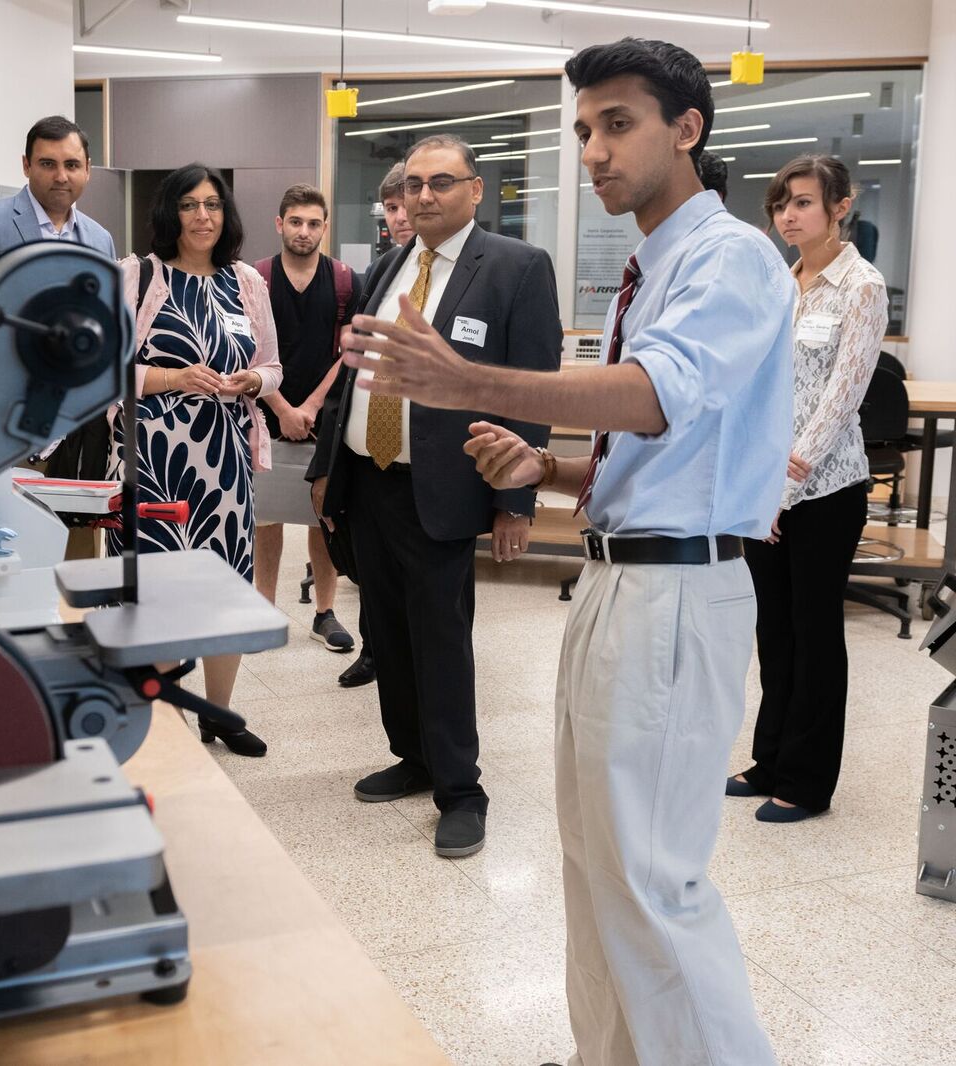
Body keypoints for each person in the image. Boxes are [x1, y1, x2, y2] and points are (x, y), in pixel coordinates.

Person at [341, 39, 791, 1065]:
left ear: (688, 128)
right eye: (584, 128)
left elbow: (654, 395)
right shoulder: (657, 264)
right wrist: (545, 473)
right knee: (595, 861)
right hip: (621, 575)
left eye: (617, 123)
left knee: (650, 880)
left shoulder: (727, 257)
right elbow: (666, 452)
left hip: (676, 593)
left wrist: (473, 383)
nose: (593, 149)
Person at [308, 133, 562, 858]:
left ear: (476, 190)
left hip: (445, 488)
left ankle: (461, 788)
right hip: (371, 481)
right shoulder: (386, 267)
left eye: (441, 183)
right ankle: (413, 758)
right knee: (387, 632)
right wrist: (332, 472)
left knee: (441, 640)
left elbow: (533, 385)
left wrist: (517, 500)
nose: (423, 196)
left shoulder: (515, 268)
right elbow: (354, 378)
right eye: (414, 184)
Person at [728, 156, 887, 823]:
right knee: (775, 631)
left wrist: (782, 489)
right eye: (779, 205)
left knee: (815, 632)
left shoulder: (861, 286)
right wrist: (752, 481)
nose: (786, 216)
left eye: (801, 203)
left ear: (839, 207)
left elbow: (840, 397)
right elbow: (760, 384)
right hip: (766, 485)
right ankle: (770, 758)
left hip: (823, 489)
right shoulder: (780, 282)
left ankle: (808, 780)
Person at [108, 163, 283, 757]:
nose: (202, 216)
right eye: (189, 205)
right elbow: (103, 369)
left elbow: (273, 364)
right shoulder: (137, 276)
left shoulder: (246, 283)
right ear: (170, 213)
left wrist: (252, 383)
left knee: (227, 587)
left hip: (227, 463)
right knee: (158, 591)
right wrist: (172, 375)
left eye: (212, 204)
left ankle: (220, 715)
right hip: (154, 460)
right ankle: (162, 725)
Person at [250, 185, 363, 653]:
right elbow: (248, 348)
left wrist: (312, 407)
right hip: (263, 412)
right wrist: (281, 408)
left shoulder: (344, 281)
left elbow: (350, 349)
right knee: (265, 519)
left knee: (323, 516)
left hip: (324, 417)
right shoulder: (254, 279)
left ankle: (325, 612)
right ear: (279, 224)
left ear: (324, 227)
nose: (304, 231)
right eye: (295, 221)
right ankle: (264, 610)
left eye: (314, 223)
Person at [336, 162, 416, 691]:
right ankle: (374, 648)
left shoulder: (486, 268)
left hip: (426, 461)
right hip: (371, 456)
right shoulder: (382, 271)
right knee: (372, 572)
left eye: (406, 203)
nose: (402, 215)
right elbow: (354, 372)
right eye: (391, 207)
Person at [0, 115, 116, 267]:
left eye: (72, 165)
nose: (61, 177)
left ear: (87, 169)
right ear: (26, 166)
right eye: (48, 164)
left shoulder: (101, 240)